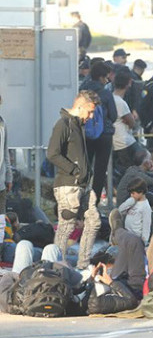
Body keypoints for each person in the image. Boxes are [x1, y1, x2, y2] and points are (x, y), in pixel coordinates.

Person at [48, 90, 100, 268]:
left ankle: (83, 265)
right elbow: (52, 154)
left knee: (93, 222)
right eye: (89, 111)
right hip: (68, 185)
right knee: (66, 227)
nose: (91, 116)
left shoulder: (78, 125)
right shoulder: (64, 124)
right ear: (80, 106)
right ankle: (56, 265)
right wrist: (75, 170)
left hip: (82, 185)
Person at [78, 61, 118, 203]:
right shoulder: (106, 94)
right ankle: (93, 204)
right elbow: (113, 115)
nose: (107, 80)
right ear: (101, 77)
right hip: (104, 135)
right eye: (106, 77)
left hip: (86, 135)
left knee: (85, 169)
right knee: (100, 171)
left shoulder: (83, 91)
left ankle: (81, 200)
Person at [110, 70, 143, 169]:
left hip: (114, 142)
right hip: (124, 142)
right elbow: (132, 123)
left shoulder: (110, 99)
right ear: (129, 83)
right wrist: (131, 119)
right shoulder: (120, 102)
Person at [116, 177, 153, 244]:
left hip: (136, 237)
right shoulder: (131, 201)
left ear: (141, 192)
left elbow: (146, 225)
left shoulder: (145, 207)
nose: (131, 195)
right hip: (127, 234)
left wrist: (144, 241)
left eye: (133, 193)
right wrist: (129, 203)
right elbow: (120, 211)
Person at [0, 93, 14, 212]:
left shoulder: (2, 123)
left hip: (0, 182)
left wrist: (9, 177)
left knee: (1, 219)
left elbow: (5, 152)